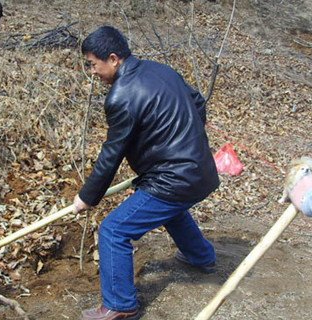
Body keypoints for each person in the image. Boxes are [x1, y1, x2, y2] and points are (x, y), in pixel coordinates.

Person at [72, 26, 220, 320]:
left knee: (115, 229)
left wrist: (86, 197)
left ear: (113, 58)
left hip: (174, 178)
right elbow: (198, 102)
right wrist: (189, 137)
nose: (91, 71)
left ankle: (119, 305)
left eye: (92, 64)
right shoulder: (160, 69)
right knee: (170, 209)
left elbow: (111, 154)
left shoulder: (121, 96)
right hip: (198, 170)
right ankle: (201, 256)